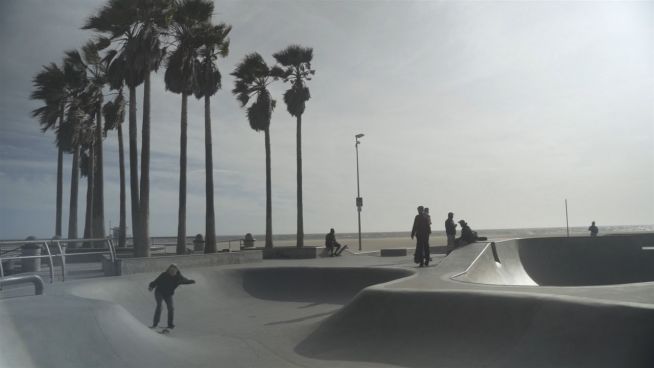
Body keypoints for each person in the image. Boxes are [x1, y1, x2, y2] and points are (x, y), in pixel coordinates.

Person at [148, 264, 195, 329]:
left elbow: (185, 281)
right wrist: (151, 286)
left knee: (171, 308)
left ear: (176, 271)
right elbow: (156, 281)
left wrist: (191, 281)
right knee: (159, 306)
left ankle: (170, 324)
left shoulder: (178, 277)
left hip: (168, 295)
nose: (172, 273)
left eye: (173, 271)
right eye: (171, 271)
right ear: (168, 270)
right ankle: (155, 324)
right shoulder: (164, 275)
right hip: (159, 292)